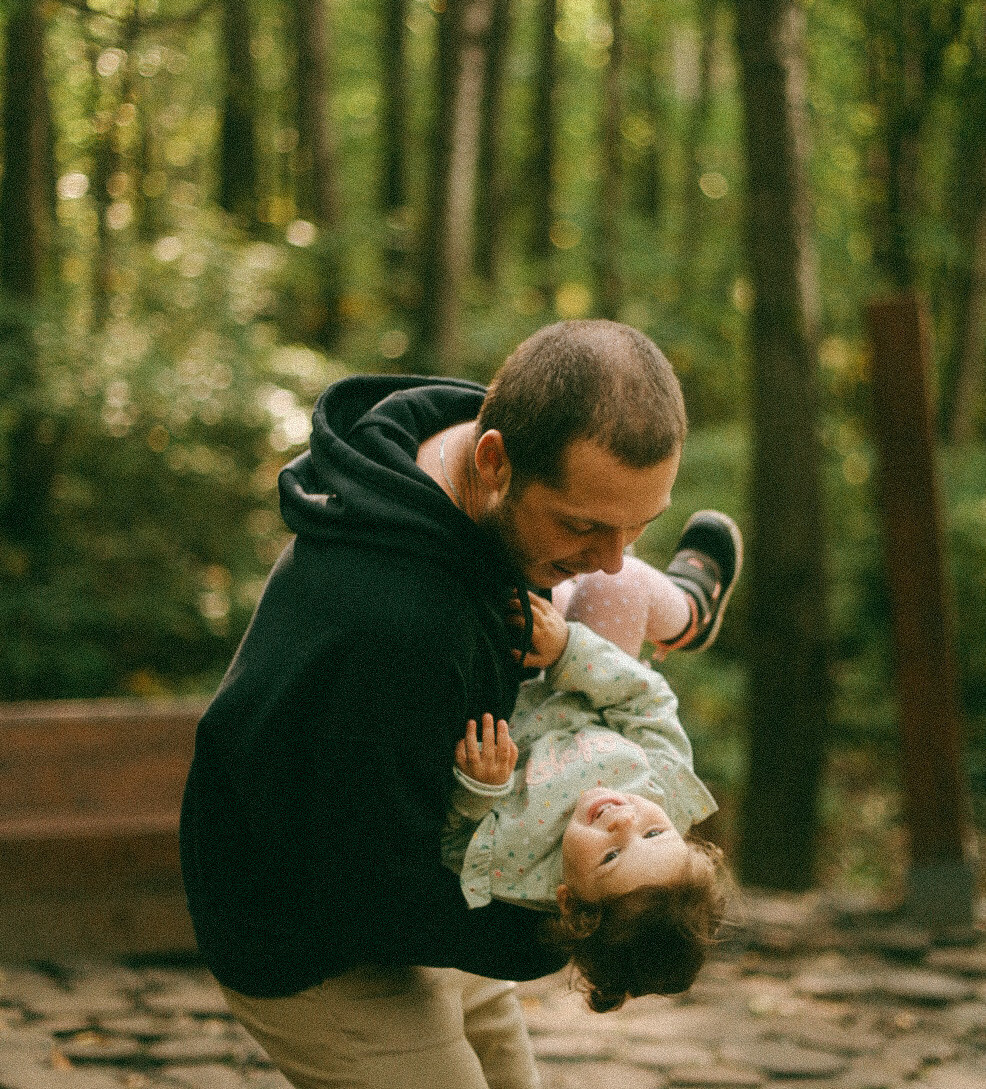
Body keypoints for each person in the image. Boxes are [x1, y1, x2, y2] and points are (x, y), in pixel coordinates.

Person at [179, 319, 741, 1089]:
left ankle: (685, 608)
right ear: (495, 461)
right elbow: (369, 887)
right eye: (583, 526)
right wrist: (569, 927)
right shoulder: (399, 626)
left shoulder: (486, 439)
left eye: (637, 528)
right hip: (310, 926)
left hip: (454, 867)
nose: (613, 559)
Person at [442, 579, 733, 1014]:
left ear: (569, 902)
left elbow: (452, 844)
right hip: (585, 673)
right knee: (614, 584)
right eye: (654, 832)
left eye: (611, 857)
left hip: (507, 688)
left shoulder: (519, 867)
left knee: (529, 597)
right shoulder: (666, 788)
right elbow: (648, 702)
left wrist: (480, 789)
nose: (624, 822)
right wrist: (566, 650)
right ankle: (688, 612)